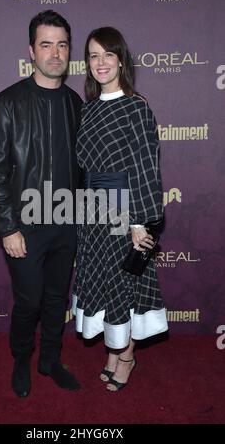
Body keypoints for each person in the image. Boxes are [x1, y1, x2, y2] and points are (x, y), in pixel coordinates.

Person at [0, 10, 82, 398]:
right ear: (31, 51)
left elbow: (84, 168)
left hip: (66, 223)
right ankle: (22, 358)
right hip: (24, 226)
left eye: (61, 45)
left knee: (57, 298)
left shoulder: (76, 103)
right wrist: (7, 228)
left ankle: (50, 360)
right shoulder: (6, 103)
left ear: (68, 50)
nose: (55, 53)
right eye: (46, 45)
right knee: (29, 300)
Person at [72, 27, 168, 392]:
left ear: (121, 60)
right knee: (102, 282)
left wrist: (140, 222)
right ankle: (113, 350)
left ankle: (126, 355)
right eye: (93, 56)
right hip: (91, 213)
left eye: (107, 55)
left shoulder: (136, 107)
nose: (100, 63)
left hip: (125, 212)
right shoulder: (89, 109)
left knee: (122, 284)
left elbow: (145, 166)